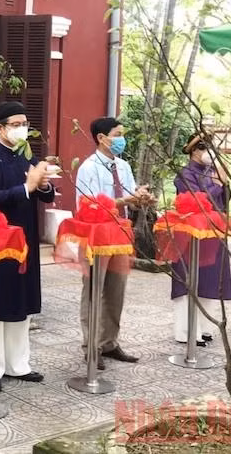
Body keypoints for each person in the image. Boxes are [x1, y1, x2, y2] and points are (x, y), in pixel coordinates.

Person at [0, 101, 54, 392]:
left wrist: (43, 185)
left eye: (25, 124)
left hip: (24, 238)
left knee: (21, 301)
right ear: (0, 128)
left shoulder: (27, 155)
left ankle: (18, 364)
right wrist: (26, 188)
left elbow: (44, 194)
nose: (22, 129)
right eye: (16, 124)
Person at [75, 117, 153, 370]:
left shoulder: (123, 166)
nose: (122, 139)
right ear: (101, 138)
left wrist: (141, 197)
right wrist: (124, 200)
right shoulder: (88, 167)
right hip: (96, 236)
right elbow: (87, 205)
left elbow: (130, 197)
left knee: (116, 290)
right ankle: (91, 346)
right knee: (93, 291)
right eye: (117, 134)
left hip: (120, 234)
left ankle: (109, 342)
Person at [172, 133, 231, 344]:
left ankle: (205, 327)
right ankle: (186, 331)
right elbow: (197, 200)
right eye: (205, 148)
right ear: (193, 151)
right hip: (190, 235)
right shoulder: (185, 174)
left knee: (209, 278)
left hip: (212, 232)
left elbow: (224, 201)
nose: (210, 153)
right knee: (188, 280)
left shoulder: (213, 171)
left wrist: (224, 183)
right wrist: (217, 184)